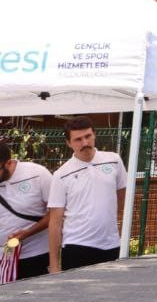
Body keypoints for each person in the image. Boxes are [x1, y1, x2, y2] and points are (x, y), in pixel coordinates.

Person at [47, 117, 127, 273]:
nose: (85, 143)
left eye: (88, 136)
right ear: (68, 143)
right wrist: (54, 265)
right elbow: (55, 221)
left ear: (94, 135)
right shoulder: (61, 175)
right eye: (78, 139)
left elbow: (122, 197)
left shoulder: (114, 160)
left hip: (111, 245)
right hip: (77, 247)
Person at [0, 140, 52, 280]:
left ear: (8, 163)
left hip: (35, 255)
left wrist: (28, 233)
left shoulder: (37, 174)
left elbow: (56, 212)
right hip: (2, 259)